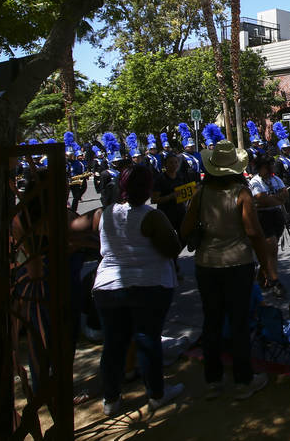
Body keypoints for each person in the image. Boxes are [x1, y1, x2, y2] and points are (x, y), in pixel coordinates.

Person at [180, 141, 274, 401]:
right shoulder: (241, 193)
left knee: (211, 321)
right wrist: (265, 266)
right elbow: (254, 232)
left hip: (206, 264)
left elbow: (185, 228)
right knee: (239, 321)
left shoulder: (200, 193)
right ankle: (244, 380)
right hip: (238, 264)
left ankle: (213, 379)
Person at [91, 164, 184, 416]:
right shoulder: (151, 216)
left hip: (108, 287)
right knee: (147, 340)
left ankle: (110, 399)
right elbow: (172, 248)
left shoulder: (104, 213)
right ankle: (156, 393)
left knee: (113, 344)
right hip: (147, 286)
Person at [248, 155, 288, 299]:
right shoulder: (255, 181)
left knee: (271, 249)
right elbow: (261, 199)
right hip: (263, 217)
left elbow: (285, 194)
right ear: (261, 167)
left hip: (277, 216)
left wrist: (272, 199)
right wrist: (275, 198)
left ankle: (263, 274)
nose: (271, 168)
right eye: (268, 166)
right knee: (272, 247)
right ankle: (274, 281)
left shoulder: (275, 179)